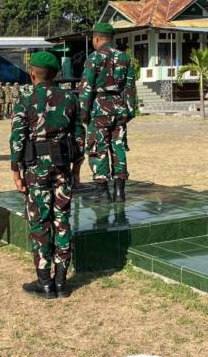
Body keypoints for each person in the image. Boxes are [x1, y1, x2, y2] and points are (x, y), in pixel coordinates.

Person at [10, 51, 84, 300]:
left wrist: (15, 171)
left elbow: (17, 139)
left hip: (36, 170)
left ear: (32, 73)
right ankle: (61, 283)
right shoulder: (70, 98)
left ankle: (45, 284)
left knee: (40, 223)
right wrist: (76, 170)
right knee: (61, 222)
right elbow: (78, 137)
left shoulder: (25, 98)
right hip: (63, 169)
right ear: (56, 74)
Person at [79, 22, 136, 203]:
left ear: (96, 39)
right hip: (120, 108)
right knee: (118, 147)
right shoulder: (124, 58)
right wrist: (129, 111)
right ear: (111, 39)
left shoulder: (94, 57)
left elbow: (86, 88)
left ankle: (102, 191)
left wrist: (84, 113)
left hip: (99, 108)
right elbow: (130, 87)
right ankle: (120, 191)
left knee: (98, 148)